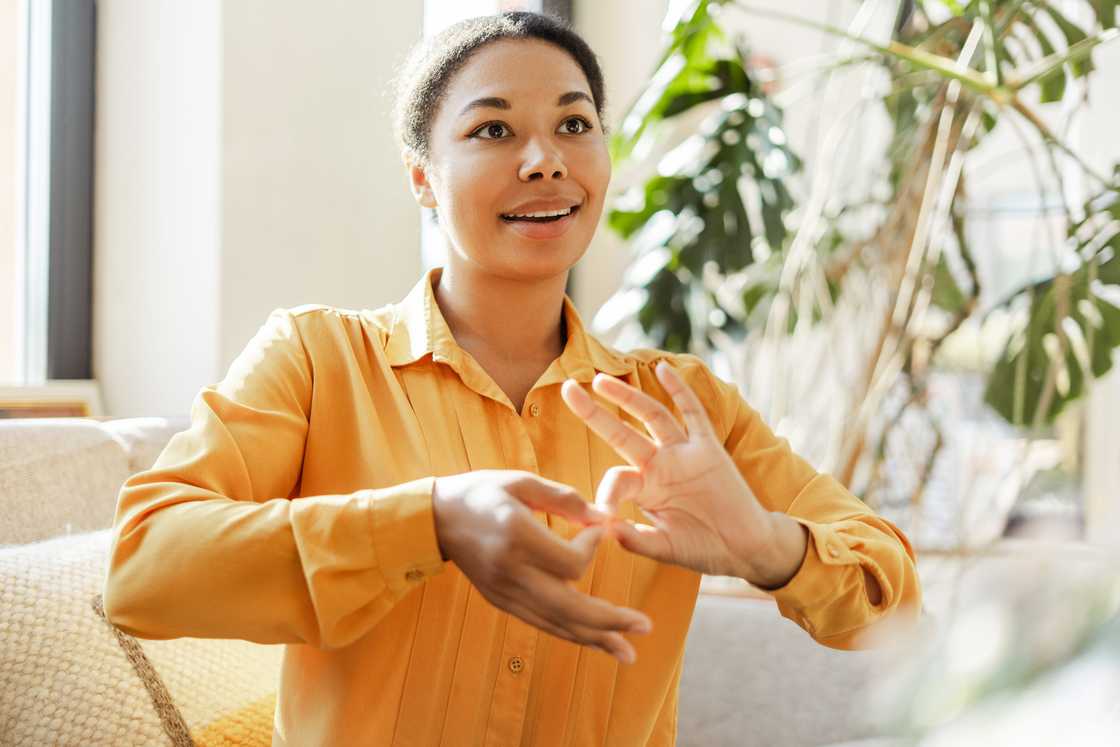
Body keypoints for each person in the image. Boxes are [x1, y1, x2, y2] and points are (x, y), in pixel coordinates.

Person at [102, 11, 921, 746]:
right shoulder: (317, 360)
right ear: (422, 178)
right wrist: (430, 523)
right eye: (493, 131)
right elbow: (144, 568)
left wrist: (762, 543)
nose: (544, 161)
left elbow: (895, 600)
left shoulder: (683, 404)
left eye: (574, 123)